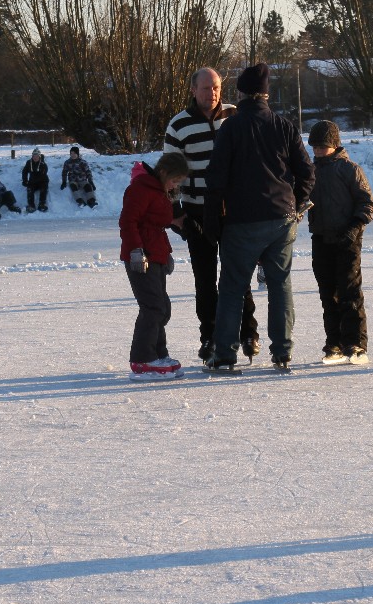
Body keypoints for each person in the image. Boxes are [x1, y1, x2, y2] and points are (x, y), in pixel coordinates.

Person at [204, 63, 315, 371]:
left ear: (240, 93)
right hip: (281, 217)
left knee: (232, 287)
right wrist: (297, 203)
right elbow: (307, 172)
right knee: (280, 285)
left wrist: (212, 218)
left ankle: (225, 354)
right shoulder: (284, 126)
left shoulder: (231, 128)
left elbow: (216, 177)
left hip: (242, 219)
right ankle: (282, 351)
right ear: (266, 94)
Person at [163, 67, 260, 363]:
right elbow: (169, 174)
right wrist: (176, 214)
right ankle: (210, 337)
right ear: (193, 90)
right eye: (206, 88)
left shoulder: (234, 115)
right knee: (204, 280)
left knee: (238, 274)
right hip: (197, 211)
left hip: (233, 209)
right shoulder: (179, 125)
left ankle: (249, 332)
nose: (213, 93)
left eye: (216, 87)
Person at [306, 121, 373, 365]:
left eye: (322, 146)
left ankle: (355, 343)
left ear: (335, 144)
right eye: (314, 147)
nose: (318, 151)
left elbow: (367, 204)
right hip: (321, 238)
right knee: (328, 294)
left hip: (348, 240)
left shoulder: (349, 169)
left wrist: (354, 228)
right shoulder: (311, 171)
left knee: (349, 292)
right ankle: (334, 342)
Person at [119, 152, 189, 381]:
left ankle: (159, 353)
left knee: (162, 308)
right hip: (141, 257)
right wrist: (135, 251)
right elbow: (128, 221)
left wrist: (165, 254)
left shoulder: (159, 191)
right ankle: (142, 359)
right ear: (164, 172)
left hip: (155, 255)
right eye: (174, 180)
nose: (175, 185)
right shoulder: (141, 188)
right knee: (153, 307)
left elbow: (156, 224)